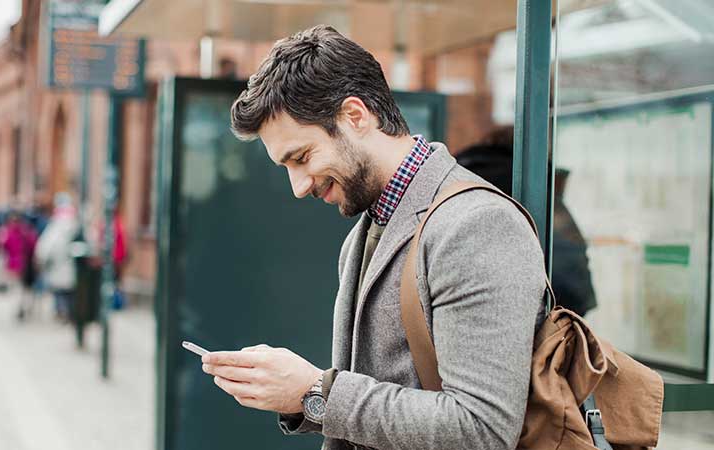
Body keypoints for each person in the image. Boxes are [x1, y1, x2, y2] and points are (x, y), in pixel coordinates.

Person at [200, 26, 546, 450]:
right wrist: (300, 398)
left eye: (302, 157)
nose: (298, 186)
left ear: (355, 116)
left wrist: (315, 392)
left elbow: (481, 430)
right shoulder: (362, 236)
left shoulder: (476, 225)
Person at [456, 127, 597, 316]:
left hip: (469, 300)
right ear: (532, 150)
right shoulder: (533, 184)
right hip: (535, 310)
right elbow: (568, 251)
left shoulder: (461, 176)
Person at [35, 194, 80, 321]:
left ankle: (62, 311)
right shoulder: (76, 225)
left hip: (57, 267)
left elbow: (45, 247)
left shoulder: (55, 227)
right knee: (70, 291)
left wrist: (41, 260)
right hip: (73, 269)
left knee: (59, 291)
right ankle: (70, 313)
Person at [0, 210, 38, 319]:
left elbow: (2, 247)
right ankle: (21, 307)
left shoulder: (7, 232)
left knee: (16, 288)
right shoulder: (27, 232)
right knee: (23, 288)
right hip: (24, 264)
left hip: (13, 265)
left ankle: (18, 308)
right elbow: (34, 247)